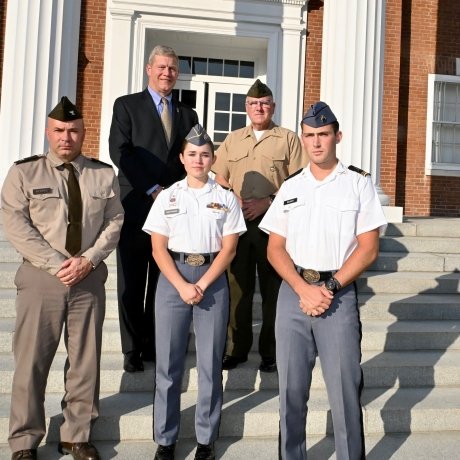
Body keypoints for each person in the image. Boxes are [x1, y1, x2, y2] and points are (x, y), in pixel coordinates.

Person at [259, 101, 387, 459]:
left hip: (338, 295)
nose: (316, 142)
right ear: (303, 139)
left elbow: (368, 248)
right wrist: (302, 289)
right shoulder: (290, 187)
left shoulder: (358, 184)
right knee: (291, 392)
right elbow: (275, 249)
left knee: (345, 391)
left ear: (337, 137)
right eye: (310, 135)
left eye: (323, 135)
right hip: (293, 294)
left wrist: (328, 289)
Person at [1, 97, 124, 460]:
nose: (65, 137)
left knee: (85, 362)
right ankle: (24, 441)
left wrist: (88, 259)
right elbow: (16, 225)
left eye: (73, 130)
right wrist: (58, 263)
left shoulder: (103, 175)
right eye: (59, 131)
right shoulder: (24, 173)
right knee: (31, 362)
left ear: (84, 133)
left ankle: (77, 435)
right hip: (41, 278)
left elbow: (114, 220)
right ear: (47, 133)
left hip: (87, 279)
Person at [142, 125, 246, 460]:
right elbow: (158, 249)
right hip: (173, 279)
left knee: (209, 363)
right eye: (192, 154)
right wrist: (183, 285)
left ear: (213, 158)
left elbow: (229, 249)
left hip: (211, 278)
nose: (198, 160)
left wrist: (200, 284)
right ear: (182, 159)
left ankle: (205, 438)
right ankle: (166, 439)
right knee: (169, 366)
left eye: (204, 154)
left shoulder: (226, 198)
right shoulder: (168, 196)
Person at [109, 45, 199, 372]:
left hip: (172, 212)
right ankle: (132, 350)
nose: (167, 73)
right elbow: (120, 152)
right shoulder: (127, 106)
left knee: (162, 282)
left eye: (172, 68)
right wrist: (152, 189)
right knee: (132, 283)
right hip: (136, 205)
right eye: (161, 67)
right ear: (149, 69)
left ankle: (153, 344)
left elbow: (191, 158)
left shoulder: (188, 114)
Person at [213, 79, 308, 373]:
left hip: (274, 225)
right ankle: (236, 349)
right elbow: (218, 176)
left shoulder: (288, 138)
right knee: (237, 289)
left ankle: (272, 352)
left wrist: (267, 201)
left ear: (273, 107)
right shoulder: (233, 138)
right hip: (239, 225)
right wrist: (235, 199)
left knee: (273, 291)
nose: (259, 108)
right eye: (254, 104)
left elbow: (300, 180)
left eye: (264, 103)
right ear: (246, 108)